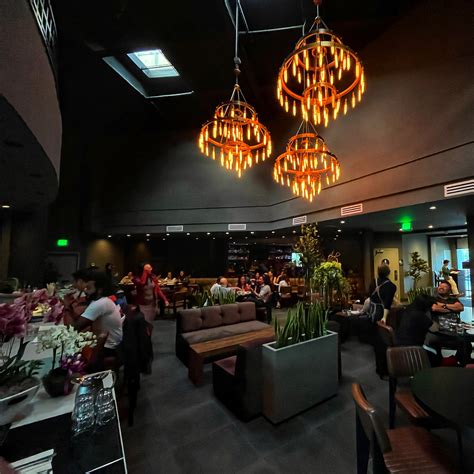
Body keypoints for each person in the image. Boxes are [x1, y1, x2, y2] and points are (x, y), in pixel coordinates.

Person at [68, 272, 123, 365]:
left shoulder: (101, 303)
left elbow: (74, 328)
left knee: (67, 352)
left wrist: (66, 307)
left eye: (89, 288)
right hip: (110, 344)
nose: (85, 291)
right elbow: (81, 320)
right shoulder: (103, 301)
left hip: (107, 349)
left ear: (99, 290)